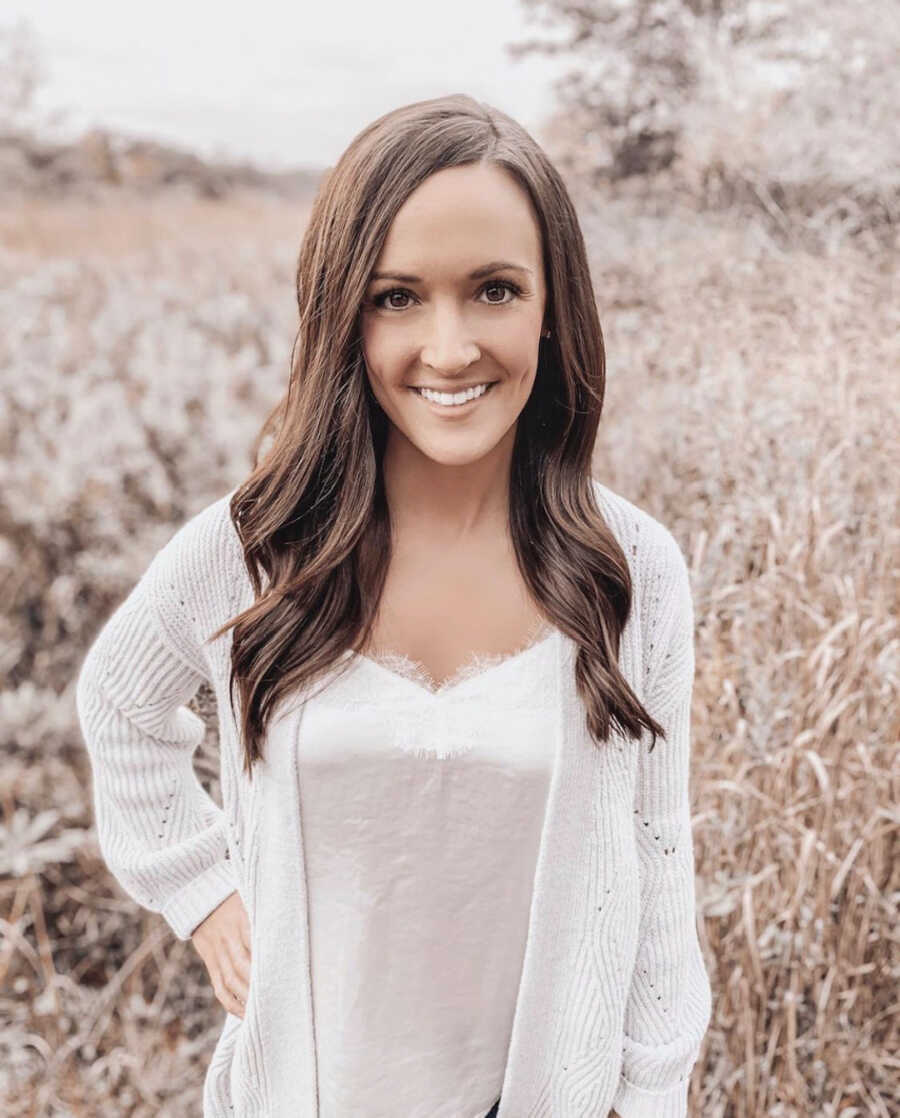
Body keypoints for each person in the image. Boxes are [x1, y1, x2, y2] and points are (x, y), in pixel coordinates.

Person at [75, 93, 712, 1117]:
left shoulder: (628, 569)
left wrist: (650, 1094)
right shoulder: (255, 551)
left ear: (555, 305)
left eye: (494, 289)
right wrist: (201, 891)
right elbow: (119, 704)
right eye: (398, 297)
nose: (450, 347)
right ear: (342, 312)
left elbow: (654, 853)